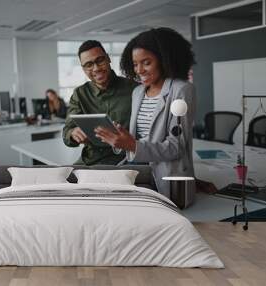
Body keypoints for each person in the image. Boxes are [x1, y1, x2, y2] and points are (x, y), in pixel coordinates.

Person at [94, 27, 196, 203]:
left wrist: (133, 145)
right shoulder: (138, 92)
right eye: (135, 64)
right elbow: (137, 139)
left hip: (166, 180)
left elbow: (176, 147)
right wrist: (119, 139)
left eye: (146, 62)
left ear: (164, 61)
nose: (139, 70)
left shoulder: (181, 90)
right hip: (139, 170)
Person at [63, 40, 138, 165]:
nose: (96, 68)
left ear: (108, 58)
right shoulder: (80, 94)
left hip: (125, 160)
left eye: (100, 61)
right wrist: (73, 133)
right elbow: (67, 131)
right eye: (89, 65)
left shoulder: (135, 89)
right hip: (92, 160)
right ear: (83, 69)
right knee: (62, 179)